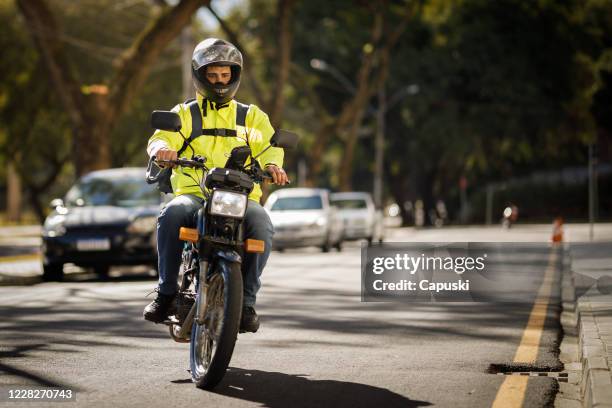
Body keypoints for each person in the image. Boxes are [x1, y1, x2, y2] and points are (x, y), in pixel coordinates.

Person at [143, 38, 289, 333]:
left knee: (262, 224)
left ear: (235, 75)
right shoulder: (185, 113)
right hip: (195, 194)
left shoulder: (252, 116)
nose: (220, 81)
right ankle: (166, 293)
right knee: (171, 215)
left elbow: (270, 148)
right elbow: (160, 137)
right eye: (213, 75)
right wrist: (161, 151)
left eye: (225, 75)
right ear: (200, 75)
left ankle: (246, 303)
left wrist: (274, 165)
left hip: (241, 197)